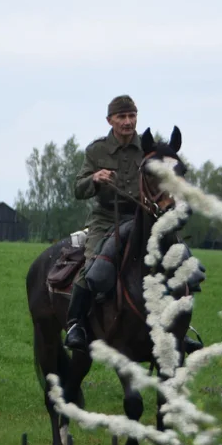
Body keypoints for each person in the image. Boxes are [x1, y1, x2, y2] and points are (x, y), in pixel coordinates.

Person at [64, 94, 142, 352]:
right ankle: (76, 324)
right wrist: (94, 178)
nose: (128, 122)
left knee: (175, 261)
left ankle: (180, 328)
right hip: (107, 218)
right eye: (122, 117)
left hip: (142, 217)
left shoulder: (148, 148)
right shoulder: (96, 150)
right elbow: (78, 189)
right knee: (93, 265)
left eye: (132, 116)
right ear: (110, 120)